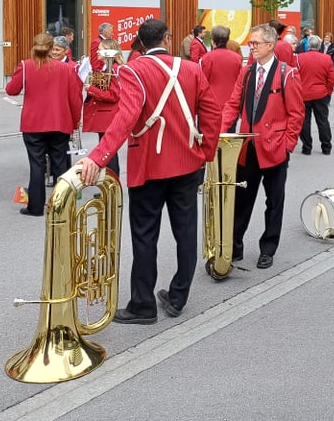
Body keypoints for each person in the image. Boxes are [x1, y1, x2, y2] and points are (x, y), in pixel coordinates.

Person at [80, 19, 220, 324]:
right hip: (187, 162)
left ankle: (143, 305)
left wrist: (98, 155)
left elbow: (126, 117)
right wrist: (205, 153)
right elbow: (212, 112)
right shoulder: (192, 68)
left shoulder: (133, 70)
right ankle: (178, 296)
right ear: (167, 39)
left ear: (140, 43)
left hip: (149, 165)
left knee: (145, 236)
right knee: (186, 232)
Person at [221, 24, 304, 270]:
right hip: (247, 147)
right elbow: (232, 105)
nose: (251, 46)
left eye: (256, 43)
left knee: (274, 202)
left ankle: (268, 249)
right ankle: (234, 248)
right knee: (241, 201)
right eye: (250, 43)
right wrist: (220, 133)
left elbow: (296, 113)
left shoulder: (286, 73)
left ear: (270, 45)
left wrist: (287, 145)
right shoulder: (246, 72)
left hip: (275, 149)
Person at [4, 32, 84, 216]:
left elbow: (12, 89)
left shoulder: (26, 65)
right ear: (51, 48)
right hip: (59, 121)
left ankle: (35, 207)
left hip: (33, 122)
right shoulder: (66, 68)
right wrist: (74, 121)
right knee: (60, 165)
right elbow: (75, 98)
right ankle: (61, 206)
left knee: (37, 165)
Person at [81, 38, 125, 178]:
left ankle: (112, 186)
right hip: (104, 115)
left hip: (108, 116)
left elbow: (113, 95)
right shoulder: (106, 68)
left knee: (108, 154)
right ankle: (109, 185)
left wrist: (92, 90)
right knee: (107, 153)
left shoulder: (113, 69)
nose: (97, 51)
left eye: (100, 48)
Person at [296, 35, 334, 155]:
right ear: (320, 46)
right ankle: (326, 146)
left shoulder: (299, 58)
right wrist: (328, 91)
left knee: (304, 121)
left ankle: (307, 147)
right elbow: (332, 78)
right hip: (321, 94)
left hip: (303, 94)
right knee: (323, 121)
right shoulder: (326, 59)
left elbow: (295, 77)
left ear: (308, 45)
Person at [199, 25, 243, 111]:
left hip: (211, 104)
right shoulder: (237, 58)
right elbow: (240, 82)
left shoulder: (206, 58)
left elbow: (202, 83)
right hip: (232, 103)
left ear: (213, 41)